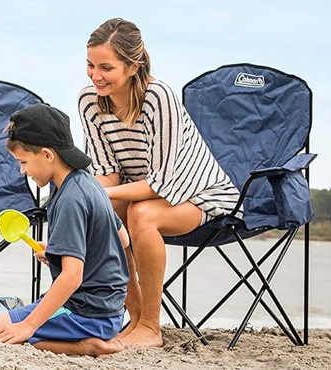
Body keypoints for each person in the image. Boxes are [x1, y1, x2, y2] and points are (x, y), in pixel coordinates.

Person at [78, 18, 242, 347]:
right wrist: (92, 197)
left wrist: (95, 191)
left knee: (141, 214)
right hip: (142, 191)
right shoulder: (90, 101)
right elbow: (107, 171)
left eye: (106, 67)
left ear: (133, 66)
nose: (96, 75)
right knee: (103, 209)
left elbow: (160, 185)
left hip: (200, 196)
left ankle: (152, 326)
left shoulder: (158, 98)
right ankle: (134, 317)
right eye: (90, 65)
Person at [0, 104, 131, 357]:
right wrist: (61, 249)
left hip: (85, 312)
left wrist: (28, 325)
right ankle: (72, 336)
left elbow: (72, 277)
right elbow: (122, 238)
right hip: (110, 310)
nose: (22, 171)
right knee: (10, 328)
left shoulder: (69, 199)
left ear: (47, 155)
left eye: (23, 162)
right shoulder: (88, 182)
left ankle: (83, 346)